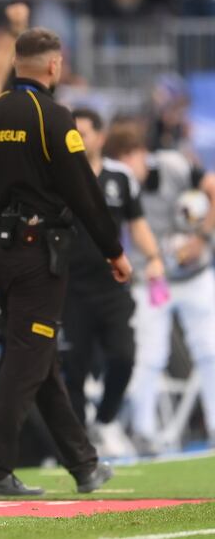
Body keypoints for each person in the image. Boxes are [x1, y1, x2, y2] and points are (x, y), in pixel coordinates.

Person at [0, 27, 131, 496]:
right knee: (26, 357)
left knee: (38, 355)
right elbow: (83, 190)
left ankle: (84, 464)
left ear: (17, 64)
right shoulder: (51, 116)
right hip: (36, 253)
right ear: (54, 66)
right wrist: (113, 249)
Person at [108, 121, 215, 452]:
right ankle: (144, 431)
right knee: (149, 356)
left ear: (140, 153)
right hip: (151, 279)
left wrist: (203, 237)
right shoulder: (117, 184)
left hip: (194, 275)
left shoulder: (173, 165)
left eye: (129, 160)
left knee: (210, 350)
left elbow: (212, 187)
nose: (127, 170)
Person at [61, 109, 164, 456]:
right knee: (72, 368)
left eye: (85, 133)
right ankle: (80, 444)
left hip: (111, 286)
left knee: (124, 356)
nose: (78, 139)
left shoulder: (120, 177)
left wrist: (153, 258)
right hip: (69, 288)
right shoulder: (55, 176)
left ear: (100, 137)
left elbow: (136, 223)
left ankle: (105, 421)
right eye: (72, 133)